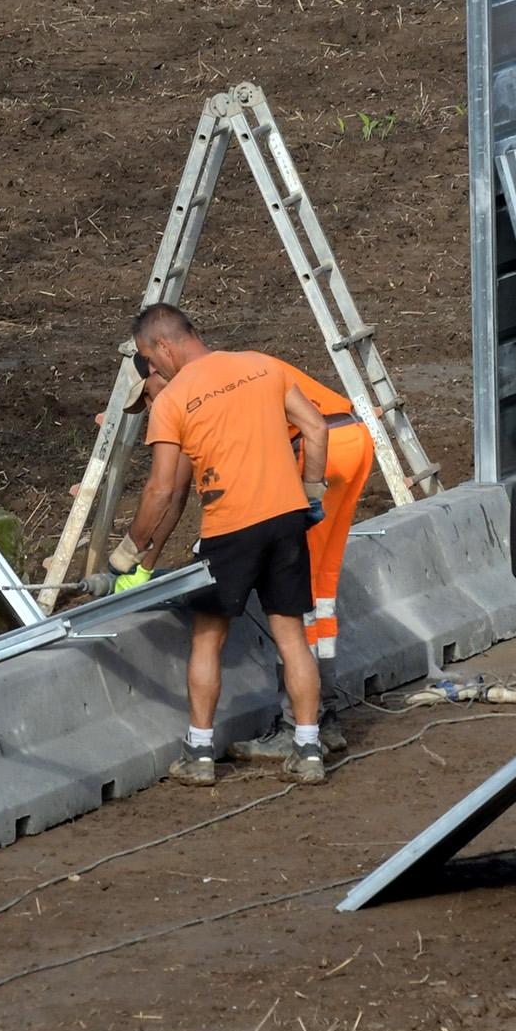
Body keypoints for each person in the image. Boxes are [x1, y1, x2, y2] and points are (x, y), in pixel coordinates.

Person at [117, 304, 331, 787]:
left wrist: (129, 549)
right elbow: (315, 429)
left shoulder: (174, 402)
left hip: (229, 528)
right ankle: (309, 748)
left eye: (151, 360)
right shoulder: (262, 364)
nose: (155, 370)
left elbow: (162, 491)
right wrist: (312, 493)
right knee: (292, 634)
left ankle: (198, 753)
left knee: (208, 637)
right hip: (286, 518)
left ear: (164, 347)